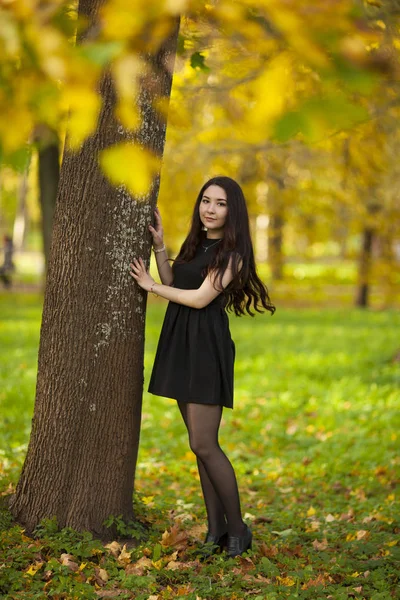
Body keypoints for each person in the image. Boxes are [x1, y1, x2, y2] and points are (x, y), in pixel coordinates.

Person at [130, 176, 275, 558]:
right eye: (206, 201)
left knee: (204, 443)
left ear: (234, 210)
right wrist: (160, 247)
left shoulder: (232, 253)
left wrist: (149, 287)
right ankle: (216, 531)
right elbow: (174, 280)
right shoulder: (198, 243)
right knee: (200, 447)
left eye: (220, 203)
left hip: (206, 347)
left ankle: (239, 530)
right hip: (181, 343)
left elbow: (197, 299)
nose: (210, 209)